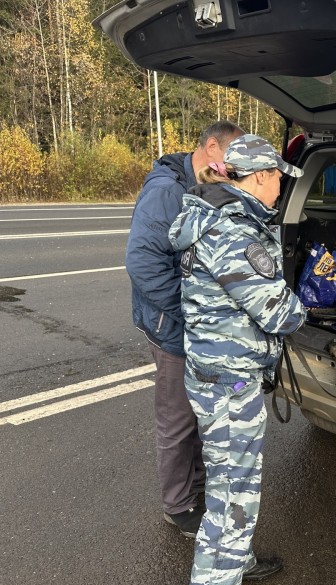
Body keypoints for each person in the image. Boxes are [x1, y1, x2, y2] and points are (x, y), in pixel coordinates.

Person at [168, 134, 307, 585]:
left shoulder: (209, 215)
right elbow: (279, 313)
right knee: (230, 502)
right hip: (229, 385)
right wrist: (314, 303)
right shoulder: (234, 232)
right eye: (277, 182)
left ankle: (238, 560)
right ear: (262, 176)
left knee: (231, 486)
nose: (279, 192)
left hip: (213, 372)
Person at [126, 120, 245, 537]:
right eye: (231, 160)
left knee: (197, 416)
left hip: (196, 328)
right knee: (177, 421)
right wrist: (194, 311)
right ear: (211, 147)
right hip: (174, 329)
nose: (233, 171)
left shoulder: (203, 186)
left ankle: (194, 489)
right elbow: (143, 265)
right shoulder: (166, 191)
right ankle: (177, 506)